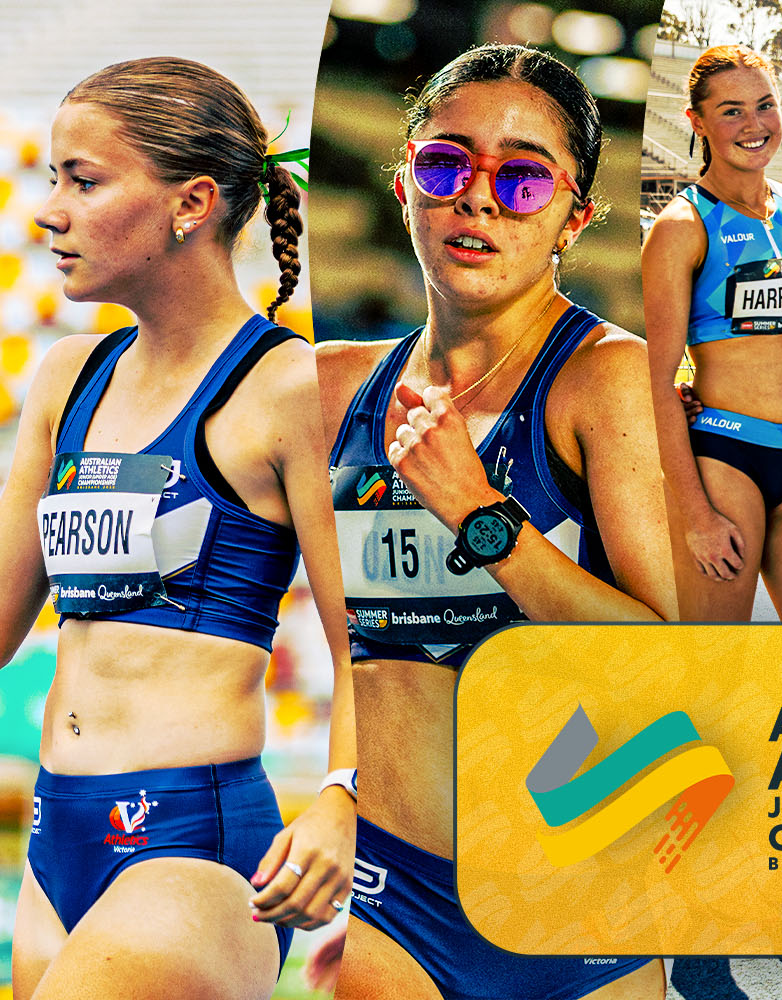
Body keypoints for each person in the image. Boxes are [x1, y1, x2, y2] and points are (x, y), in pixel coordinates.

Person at [317, 43, 674, 999]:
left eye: (522, 177)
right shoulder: (332, 388)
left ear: (574, 218)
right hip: (394, 895)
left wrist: (481, 515)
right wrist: (329, 797)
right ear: (405, 187)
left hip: (577, 897)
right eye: (447, 164)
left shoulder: (605, 383)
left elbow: (669, 656)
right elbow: (358, 647)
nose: (478, 197)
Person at [0, 57, 352, 997]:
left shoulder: (286, 390)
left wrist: (340, 800)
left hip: (187, 848)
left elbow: (370, 642)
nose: (50, 212)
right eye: (50, 180)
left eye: (83, 180)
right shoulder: (66, 380)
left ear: (190, 203)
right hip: (52, 840)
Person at [644, 44, 782, 622]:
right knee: (718, 664)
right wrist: (695, 516)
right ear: (697, 122)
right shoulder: (681, 229)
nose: (754, 124)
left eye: (765, 105)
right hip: (724, 457)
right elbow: (657, 381)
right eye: (732, 110)